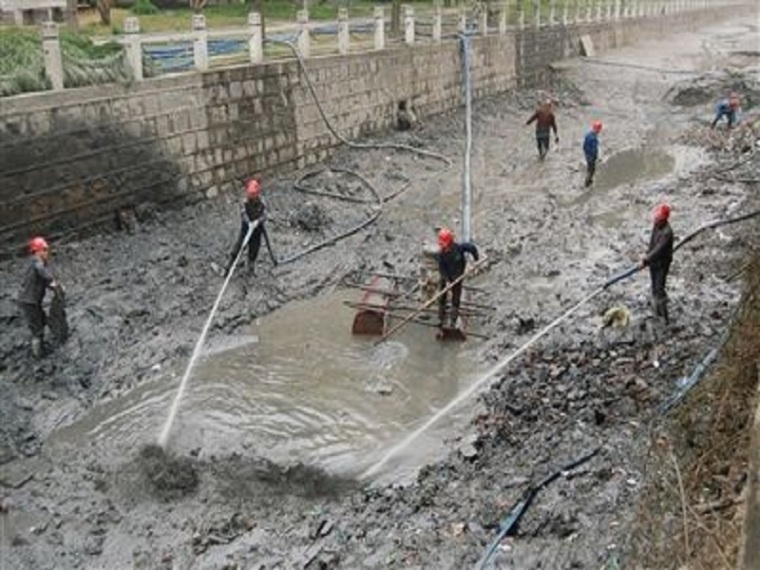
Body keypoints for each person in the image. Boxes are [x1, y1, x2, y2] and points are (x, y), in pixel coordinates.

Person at [17, 236, 59, 358]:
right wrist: (52, 281)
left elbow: (43, 280)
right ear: (37, 251)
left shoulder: (34, 264)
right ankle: (38, 355)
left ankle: (42, 345)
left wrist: (53, 286)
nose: (47, 253)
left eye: (46, 250)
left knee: (42, 319)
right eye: (44, 250)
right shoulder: (37, 262)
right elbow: (42, 272)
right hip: (29, 302)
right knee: (37, 328)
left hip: (29, 301)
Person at [225, 179, 277, 277]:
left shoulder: (262, 203)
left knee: (254, 249)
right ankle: (228, 267)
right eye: (250, 195)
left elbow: (265, 215)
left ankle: (250, 268)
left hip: (257, 231)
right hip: (246, 230)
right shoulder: (244, 203)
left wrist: (258, 221)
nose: (252, 197)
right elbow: (243, 214)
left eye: (253, 195)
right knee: (238, 247)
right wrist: (249, 223)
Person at [436, 228, 479, 329]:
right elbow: (441, 269)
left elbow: (471, 248)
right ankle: (441, 316)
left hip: (458, 276)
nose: (442, 246)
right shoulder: (441, 255)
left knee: (456, 296)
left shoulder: (459, 248)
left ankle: (453, 320)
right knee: (442, 295)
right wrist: (446, 280)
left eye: (443, 243)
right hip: (446, 276)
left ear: (449, 242)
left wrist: (476, 259)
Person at [639, 203, 674, 324]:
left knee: (659, 288)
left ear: (664, 219)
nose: (656, 220)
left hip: (662, 264)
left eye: (658, 219)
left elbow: (659, 249)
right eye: (656, 218)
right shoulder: (656, 225)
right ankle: (656, 310)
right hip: (653, 262)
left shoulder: (667, 233)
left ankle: (665, 317)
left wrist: (646, 259)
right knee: (654, 285)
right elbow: (652, 243)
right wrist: (647, 257)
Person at [583, 120, 603, 187]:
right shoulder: (594, 138)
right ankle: (587, 183)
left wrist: (586, 154)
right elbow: (594, 150)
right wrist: (596, 157)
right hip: (591, 156)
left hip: (587, 155)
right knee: (591, 170)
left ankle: (589, 181)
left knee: (589, 168)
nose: (599, 131)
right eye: (599, 129)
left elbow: (584, 146)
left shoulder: (588, 135)